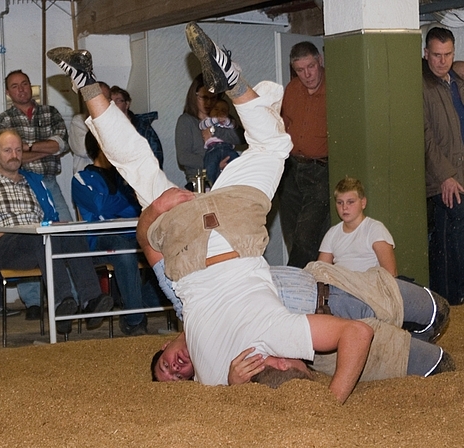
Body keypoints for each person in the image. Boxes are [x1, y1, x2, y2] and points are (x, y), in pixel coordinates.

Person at [47, 22, 373, 404]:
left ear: (285, 365)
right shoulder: (213, 374)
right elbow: (220, 400)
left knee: (273, 144)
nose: (303, 360)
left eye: (304, 365)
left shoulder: (282, 336)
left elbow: (358, 333)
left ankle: (231, 76)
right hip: (188, 245)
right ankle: (86, 83)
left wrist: (333, 399)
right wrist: (230, 387)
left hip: (233, 229)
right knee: (137, 167)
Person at [153, 264, 453, 386]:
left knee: (438, 312)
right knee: (440, 366)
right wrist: (236, 387)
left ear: (166, 346)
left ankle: (417, 332)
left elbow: (153, 245)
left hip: (335, 289)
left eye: (166, 366)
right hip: (326, 350)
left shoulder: (190, 302)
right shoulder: (217, 371)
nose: (176, 369)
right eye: (178, 378)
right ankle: (408, 343)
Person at [0, 129, 114, 334]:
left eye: (18, 150)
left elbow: (51, 216)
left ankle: (91, 300)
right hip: (5, 246)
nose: (14, 155)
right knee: (42, 239)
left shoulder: (36, 182)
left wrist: (56, 225)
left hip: (39, 238)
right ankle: (62, 303)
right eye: (7, 150)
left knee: (69, 232)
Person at [72, 131, 161, 335]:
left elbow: (144, 206)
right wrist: (128, 199)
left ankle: (135, 305)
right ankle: (134, 320)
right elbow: (101, 206)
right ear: (99, 147)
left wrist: (126, 203)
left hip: (134, 233)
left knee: (169, 244)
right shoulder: (81, 178)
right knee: (122, 249)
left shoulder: (126, 175)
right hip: (101, 239)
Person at [0, 70, 73, 221]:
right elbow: (12, 158)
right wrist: (48, 150)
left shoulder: (50, 112)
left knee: (66, 229)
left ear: (30, 86)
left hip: (49, 182)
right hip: (20, 184)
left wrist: (28, 147)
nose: (21, 89)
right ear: (8, 92)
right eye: (15, 86)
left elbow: (62, 145)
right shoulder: (3, 120)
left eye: (24, 84)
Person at [279, 41, 330, 269]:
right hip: (291, 168)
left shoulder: (335, 87)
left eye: (310, 67)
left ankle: (292, 284)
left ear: (319, 61)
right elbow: (283, 124)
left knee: (306, 235)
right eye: (300, 70)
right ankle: (308, 286)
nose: (307, 75)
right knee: (291, 232)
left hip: (320, 170)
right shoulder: (291, 90)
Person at [423, 27, 464, 305]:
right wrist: (445, 176)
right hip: (442, 180)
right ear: (426, 54)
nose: (442, 61)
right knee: (448, 245)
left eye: (447, 54)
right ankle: (450, 302)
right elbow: (423, 135)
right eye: (436, 55)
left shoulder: (454, 81)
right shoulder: (420, 85)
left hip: (459, 174)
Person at [318, 177, 397, 276]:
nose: (344, 207)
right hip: (339, 286)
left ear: (363, 203)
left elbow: (390, 274)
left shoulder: (375, 229)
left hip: (368, 287)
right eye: (340, 202)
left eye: (350, 202)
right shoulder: (332, 233)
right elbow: (320, 271)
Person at [175, 73, 243, 187]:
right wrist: (214, 163)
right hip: (200, 183)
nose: (209, 103)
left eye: (213, 98)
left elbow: (241, 138)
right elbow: (184, 158)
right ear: (194, 96)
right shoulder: (186, 121)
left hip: (228, 180)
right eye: (204, 98)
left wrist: (213, 130)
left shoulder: (222, 118)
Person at [110, 85, 164, 168]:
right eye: (111, 102)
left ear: (127, 104)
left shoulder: (142, 127)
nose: (114, 105)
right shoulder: (108, 129)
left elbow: (156, 155)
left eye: (118, 101)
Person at [69, 82, 111, 174]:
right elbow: (83, 149)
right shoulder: (78, 121)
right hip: (87, 180)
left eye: (105, 98)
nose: (101, 102)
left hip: (110, 179)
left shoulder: (114, 122)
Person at [198, 98, 240, 184]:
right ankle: (209, 185)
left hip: (228, 148)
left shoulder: (228, 123)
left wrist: (225, 120)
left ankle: (239, 184)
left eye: (224, 110)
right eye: (216, 109)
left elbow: (233, 126)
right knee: (210, 166)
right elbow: (202, 126)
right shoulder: (207, 121)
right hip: (213, 148)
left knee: (237, 162)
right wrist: (216, 119)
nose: (219, 111)